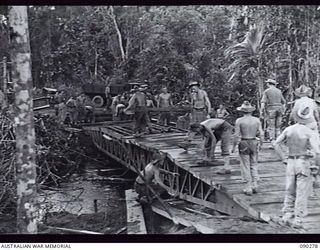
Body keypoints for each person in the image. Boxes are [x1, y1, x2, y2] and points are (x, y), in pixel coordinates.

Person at [274, 105, 320, 228]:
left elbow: (276, 143)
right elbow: (317, 151)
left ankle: (287, 214)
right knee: (301, 191)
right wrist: (316, 166)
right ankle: (298, 219)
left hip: (290, 161)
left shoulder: (288, 130)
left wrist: (283, 157)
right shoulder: (309, 132)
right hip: (303, 161)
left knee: (289, 189)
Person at [232, 101, 264, 196]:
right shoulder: (256, 120)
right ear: (251, 111)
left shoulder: (239, 121)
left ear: (242, 111)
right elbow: (261, 133)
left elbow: (236, 135)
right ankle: (255, 184)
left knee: (245, 165)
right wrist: (261, 143)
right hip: (254, 141)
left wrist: (234, 146)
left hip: (244, 142)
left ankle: (248, 186)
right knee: (254, 163)